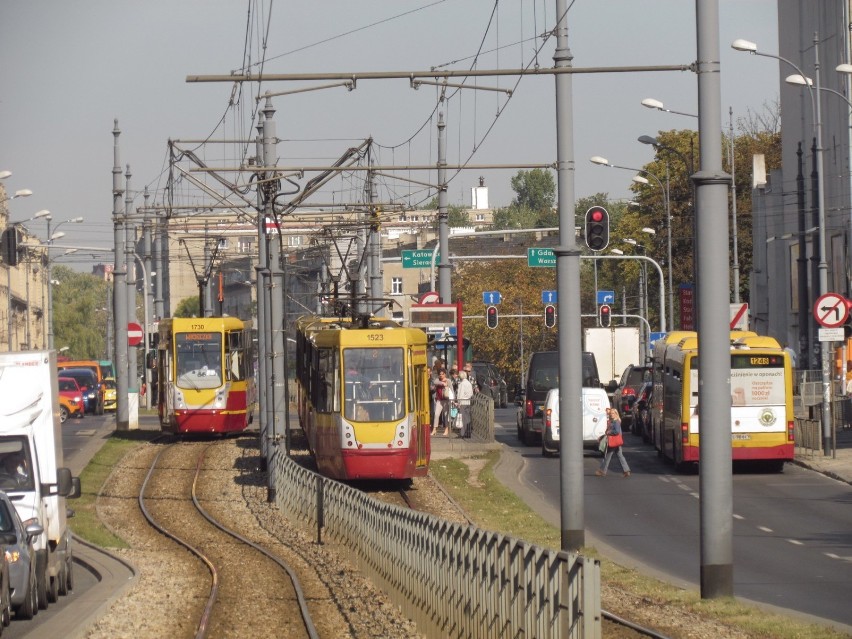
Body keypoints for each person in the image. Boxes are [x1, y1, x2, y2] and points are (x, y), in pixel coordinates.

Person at [596, 408, 631, 477]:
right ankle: (626, 470)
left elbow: (617, 431)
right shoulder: (612, 421)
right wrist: (602, 436)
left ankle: (602, 471)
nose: (611, 415)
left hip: (614, 441)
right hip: (616, 442)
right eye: (610, 413)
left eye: (613, 413)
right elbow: (608, 431)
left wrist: (610, 432)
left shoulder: (616, 422)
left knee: (607, 456)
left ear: (616, 414)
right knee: (620, 456)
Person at [430, 369, 453, 436]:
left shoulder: (448, 380)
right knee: (436, 414)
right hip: (439, 400)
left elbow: (451, 389)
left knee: (446, 415)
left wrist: (453, 399)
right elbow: (435, 382)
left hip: (446, 400)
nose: (441, 375)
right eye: (440, 374)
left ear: (445, 374)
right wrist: (443, 383)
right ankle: (434, 429)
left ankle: (446, 429)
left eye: (442, 374)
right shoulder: (438, 380)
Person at [456, 370, 474, 438]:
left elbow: (460, 394)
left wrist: (458, 402)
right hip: (468, 401)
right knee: (467, 418)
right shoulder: (469, 383)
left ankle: (462, 433)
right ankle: (468, 432)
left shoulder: (461, 384)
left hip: (463, 402)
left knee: (462, 418)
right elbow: (471, 393)